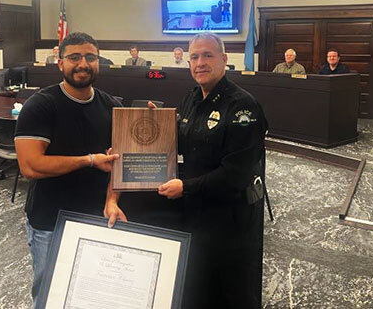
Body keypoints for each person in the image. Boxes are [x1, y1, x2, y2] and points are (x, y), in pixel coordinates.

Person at [107, 33, 268, 308]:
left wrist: (186, 187)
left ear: (224, 59)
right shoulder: (192, 98)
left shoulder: (243, 107)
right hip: (195, 213)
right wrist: (149, 132)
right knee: (198, 284)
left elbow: (236, 175)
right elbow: (180, 141)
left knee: (230, 291)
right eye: (194, 57)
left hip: (230, 221)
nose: (200, 63)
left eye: (208, 55)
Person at [14, 32, 125, 308]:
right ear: (60, 62)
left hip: (98, 219)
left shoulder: (113, 106)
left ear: (99, 62)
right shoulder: (40, 105)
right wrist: (88, 160)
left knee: (92, 294)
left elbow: (119, 164)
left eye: (90, 57)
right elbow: (31, 166)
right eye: (74, 57)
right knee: (50, 294)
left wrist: (112, 200)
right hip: (51, 222)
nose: (83, 64)